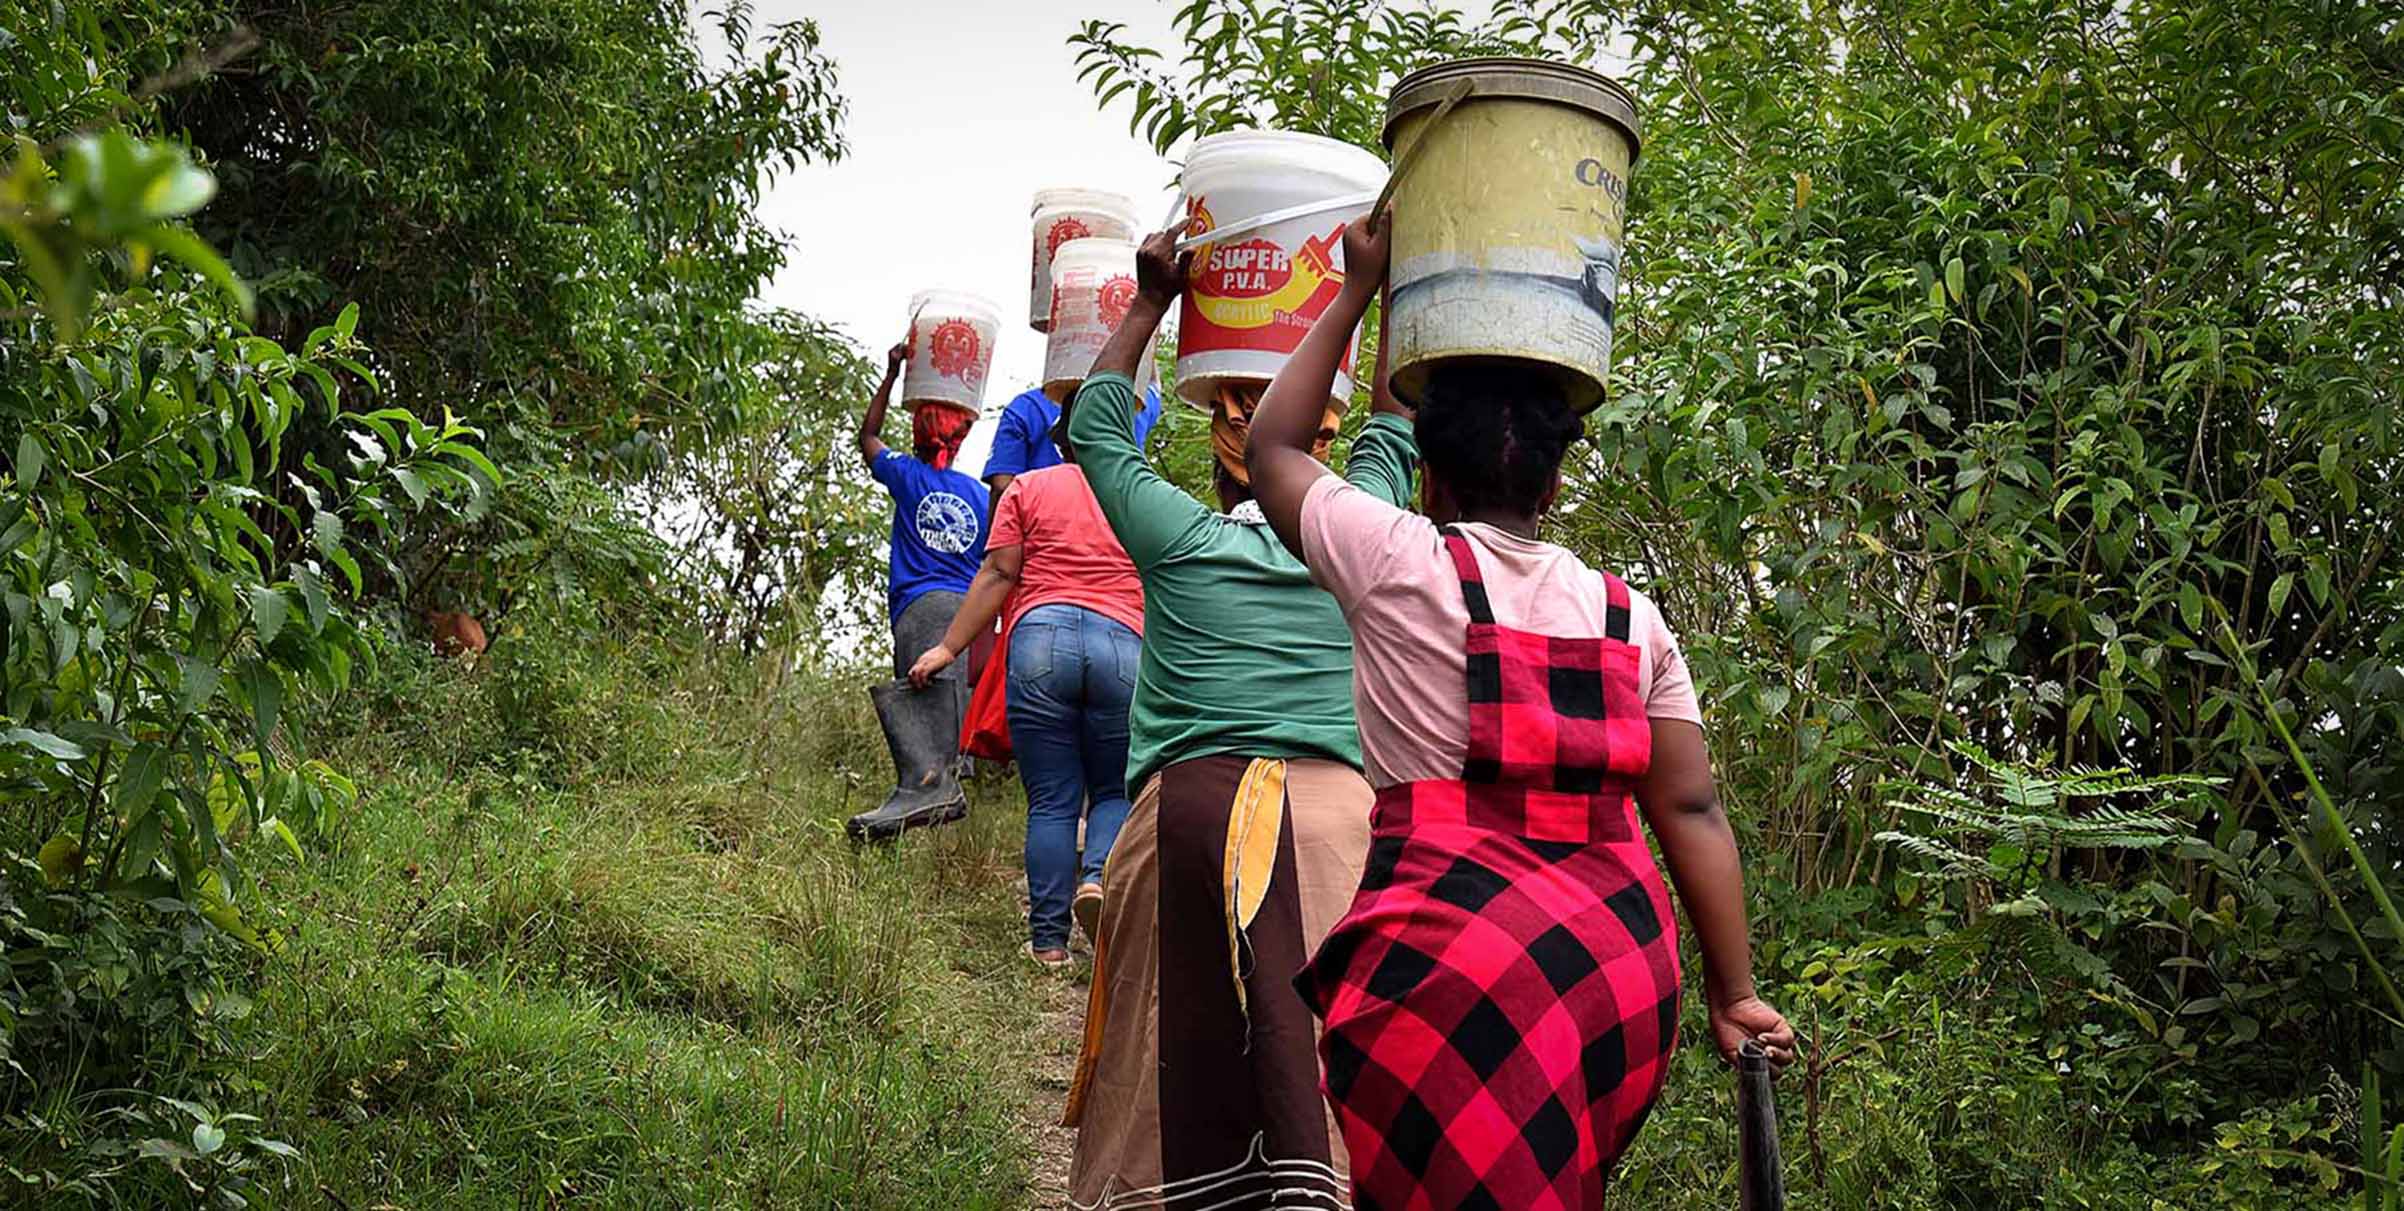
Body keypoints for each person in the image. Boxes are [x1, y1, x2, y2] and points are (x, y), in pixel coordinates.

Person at [1245, 210, 1798, 1208]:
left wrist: (1358, 285)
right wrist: (1734, 991)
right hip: (1609, 967)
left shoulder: (1391, 558)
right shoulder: (1631, 616)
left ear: (1425, 472)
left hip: (1447, 957)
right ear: (1554, 477)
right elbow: (1691, 810)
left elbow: (1274, 444)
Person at [1055, 227, 1415, 1210]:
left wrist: (1150, 300)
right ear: (1324, 454)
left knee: (1167, 1065)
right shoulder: (1364, 533)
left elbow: (1090, 430)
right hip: (1341, 827)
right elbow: (1393, 427)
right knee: (1330, 1076)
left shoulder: (1177, 538)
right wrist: (1368, 290)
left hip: (1185, 820)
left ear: (1218, 461)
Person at [907, 412, 1145, 968]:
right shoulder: (1141, 491)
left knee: (1052, 800)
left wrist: (946, 648)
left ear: (1059, 442)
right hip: (1123, 648)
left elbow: (997, 573)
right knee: (1112, 790)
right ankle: (1096, 878)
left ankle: (1048, 945)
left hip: (1040, 641)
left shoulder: (1029, 487)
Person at [847, 340, 989, 842]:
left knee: (923, 736)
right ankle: (942, 842)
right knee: (948, 734)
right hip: (970, 614)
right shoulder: (980, 494)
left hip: (922, 608)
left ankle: (918, 824)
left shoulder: (907, 476)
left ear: (918, 432)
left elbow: (867, 435)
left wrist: (890, 374)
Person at [981, 381, 1166, 500]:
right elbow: (1155, 385)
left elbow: (1003, 486)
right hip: (1113, 537)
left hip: (1042, 537)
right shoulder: (1135, 405)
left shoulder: (1026, 406)